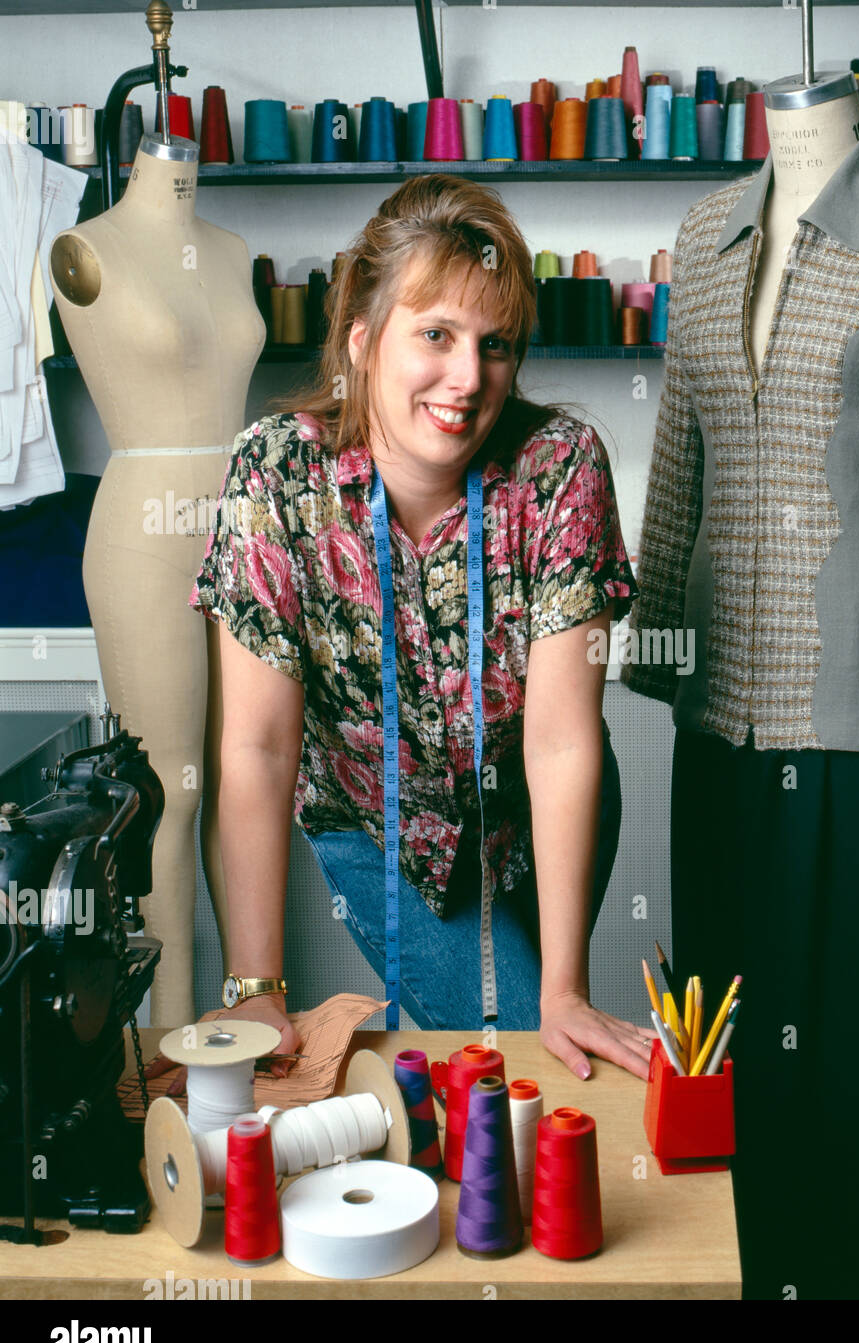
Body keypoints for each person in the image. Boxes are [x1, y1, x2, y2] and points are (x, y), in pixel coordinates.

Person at [186, 174, 653, 1083]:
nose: (469, 377)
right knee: (515, 1059)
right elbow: (254, 748)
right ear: (361, 338)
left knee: (542, 1042)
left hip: (531, 815)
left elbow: (560, 744)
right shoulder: (275, 475)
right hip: (375, 828)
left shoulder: (560, 468)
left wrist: (567, 988)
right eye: (434, 334)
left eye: (496, 345)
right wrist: (257, 984)